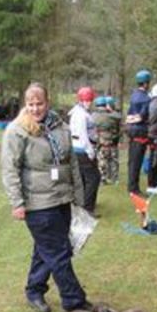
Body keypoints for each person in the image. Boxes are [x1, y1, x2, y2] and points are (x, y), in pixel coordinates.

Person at [1, 82, 95, 312]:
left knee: (45, 250)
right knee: (59, 253)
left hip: (62, 199)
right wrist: (17, 203)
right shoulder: (17, 131)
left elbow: (72, 164)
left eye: (39, 103)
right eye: (30, 104)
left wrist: (79, 197)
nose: (35, 108)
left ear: (47, 102)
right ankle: (74, 301)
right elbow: (10, 169)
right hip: (38, 203)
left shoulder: (60, 127)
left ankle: (34, 290)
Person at [69, 86, 101, 215]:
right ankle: (87, 208)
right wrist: (90, 151)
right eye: (87, 100)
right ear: (81, 100)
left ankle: (82, 204)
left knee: (83, 178)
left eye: (90, 100)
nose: (89, 103)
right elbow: (82, 135)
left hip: (78, 149)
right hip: (83, 150)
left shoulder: (78, 112)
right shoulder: (81, 115)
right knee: (93, 179)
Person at [126, 69, 152, 200]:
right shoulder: (146, 99)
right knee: (137, 161)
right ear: (146, 83)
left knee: (132, 160)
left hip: (131, 131)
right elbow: (142, 116)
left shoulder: (133, 96)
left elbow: (129, 115)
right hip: (140, 132)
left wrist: (130, 122)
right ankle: (133, 188)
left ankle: (131, 185)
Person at [93, 95, 122, 185]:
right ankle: (114, 178)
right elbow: (119, 117)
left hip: (101, 141)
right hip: (112, 141)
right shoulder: (113, 116)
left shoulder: (94, 116)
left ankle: (102, 178)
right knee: (114, 160)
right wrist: (110, 110)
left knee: (102, 160)